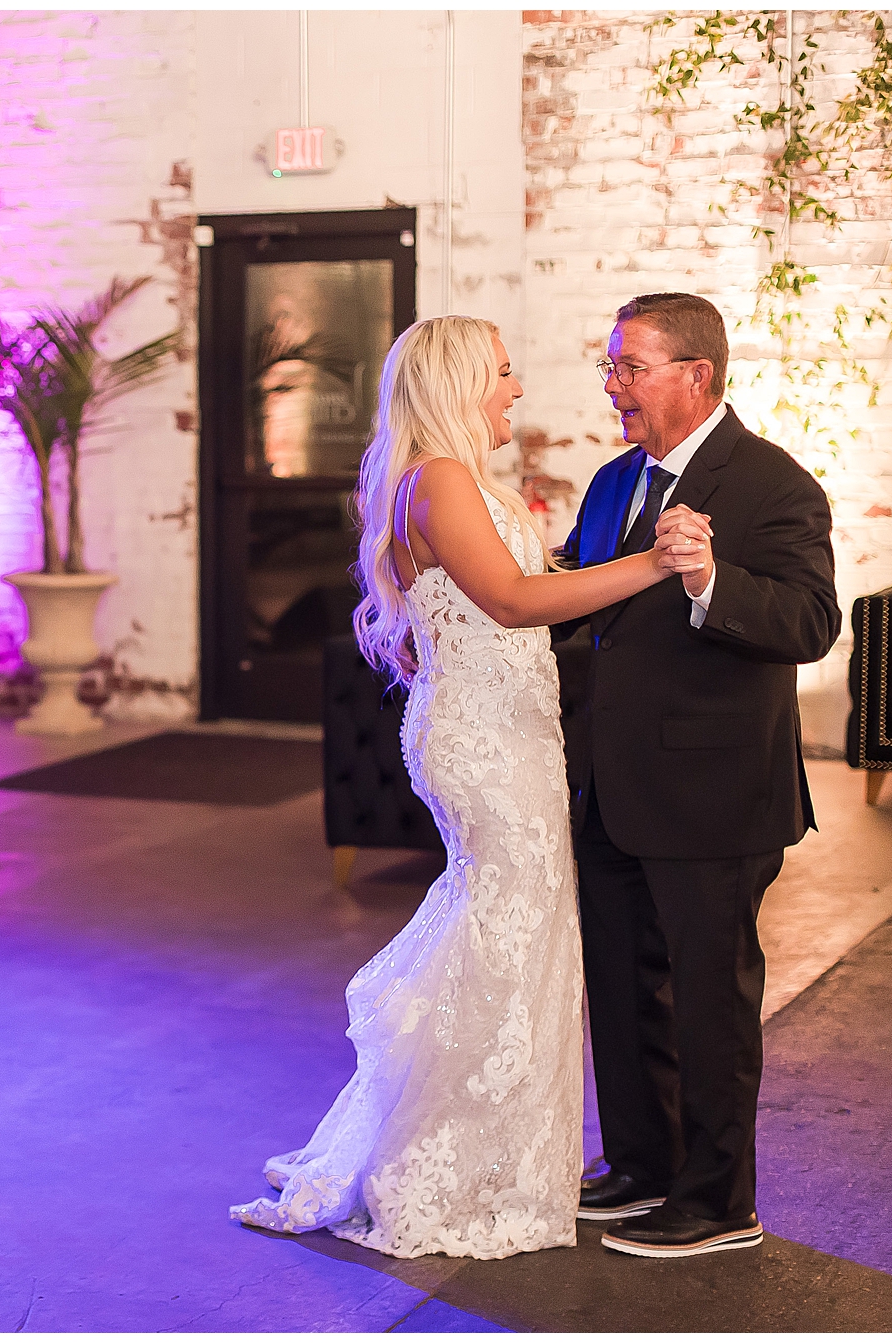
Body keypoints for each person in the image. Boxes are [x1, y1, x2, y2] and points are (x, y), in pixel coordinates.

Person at [229, 315, 705, 1259]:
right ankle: (447, 1160)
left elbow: (502, 592)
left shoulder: (453, 480)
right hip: (489, 745)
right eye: (502, 371)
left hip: (509, 732)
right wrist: (655, 563)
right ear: (456, 382)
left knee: (506, 929)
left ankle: (476, 1147)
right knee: (508, 933)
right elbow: (515, 602)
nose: (516, 388)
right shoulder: (440, 479)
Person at [561, 293, 839, 1259]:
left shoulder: (774, 484)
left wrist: (710, 579)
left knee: (711, 1002)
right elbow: (579, 607)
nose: (613, 385)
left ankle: (720, 1201)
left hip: (716, 795)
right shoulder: (612, 483)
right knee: (621, 987)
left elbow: (811, 624)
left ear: (697, 375)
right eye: (611, 366)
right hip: (611, 786)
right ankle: (643, 1165)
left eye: (630, 367)